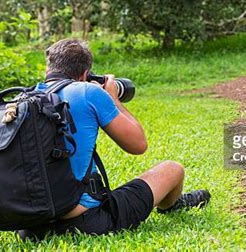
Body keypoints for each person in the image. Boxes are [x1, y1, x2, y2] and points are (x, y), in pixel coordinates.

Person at [18, 39, 210, 240]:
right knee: (173, 169)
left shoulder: (23, 99)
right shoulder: (88, 92)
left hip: (30, 225)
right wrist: (113, 99)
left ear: (48, 69)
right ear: (85, 73)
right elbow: (138, 145)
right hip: (86, 221)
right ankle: (171, 204)